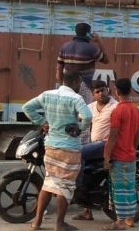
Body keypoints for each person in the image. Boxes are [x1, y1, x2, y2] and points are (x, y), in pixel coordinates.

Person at [23, 71, 93, 231]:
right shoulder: (75, 98)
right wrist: (80, 128)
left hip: (51, 146)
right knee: (65, 185)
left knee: (48, 183)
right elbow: (88, 116)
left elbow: (27, 107)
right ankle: (60, 224)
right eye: (79, 84)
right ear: (75, 82)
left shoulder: (47, 95)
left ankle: (37, 223)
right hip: (69, 148)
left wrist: (42, 122)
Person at [57, 22, 109, 145]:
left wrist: (62, 86)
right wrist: (99, 41)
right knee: (84, 116)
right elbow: (106, 60)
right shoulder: (91, 48)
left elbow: (58, 70)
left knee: (68, 116)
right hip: (84, 86)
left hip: (67, 86)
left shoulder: (65, 47)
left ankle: (67, 143)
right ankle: (83, 146)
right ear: (87, 33)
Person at [73, 80, 118, 222]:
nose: (100, 93)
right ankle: (87, 212)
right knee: (88, 173)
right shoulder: (91, 107)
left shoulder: (115, 107)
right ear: (93, 94)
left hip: (105, 145)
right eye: (97, 92)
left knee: (78, 152)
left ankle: (77, 187)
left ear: (108, 90)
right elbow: (76, 118)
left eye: (103, 90)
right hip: (94, 144)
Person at [102, 78, 139, 230]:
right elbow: (138, 134)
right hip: (131, 156)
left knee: (118, 189)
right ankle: (130, 219)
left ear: (117, 91)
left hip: (119, 156)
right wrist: (132, 148)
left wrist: (107, 156)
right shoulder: (136, 110)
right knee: (130, 187)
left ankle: (119, 222)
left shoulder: (118, 111)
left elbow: (113, 135)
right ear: (130, 90)